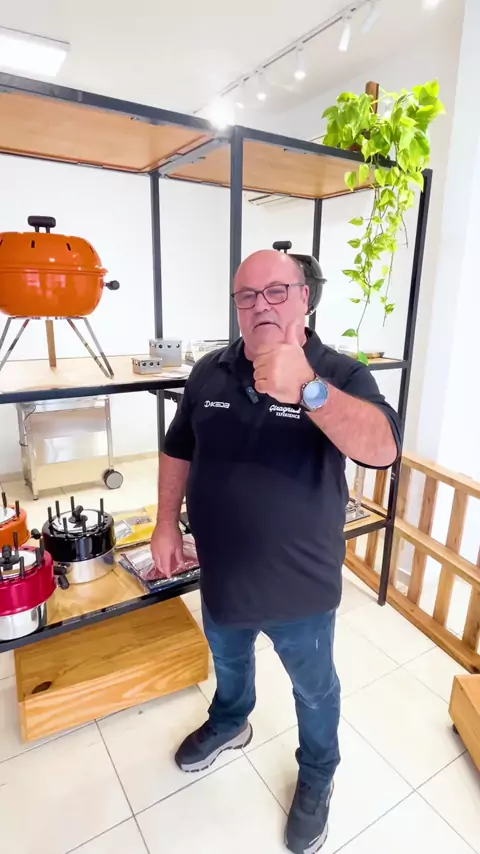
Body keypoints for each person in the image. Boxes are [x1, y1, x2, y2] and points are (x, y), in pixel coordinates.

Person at [151, 248, 400, 854]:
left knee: (314, 689)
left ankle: (318, 773)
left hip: (300, 586)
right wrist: (164, 525)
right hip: (222, 573)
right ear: (236, 305)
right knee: (230, 663)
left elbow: (384, 448)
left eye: (276, 291)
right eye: (247, 295)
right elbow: (178, 447)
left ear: (304, 297)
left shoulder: (338, 373)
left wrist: (309, 390)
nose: (260, 305)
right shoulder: (210, 371)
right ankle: (231, 720)